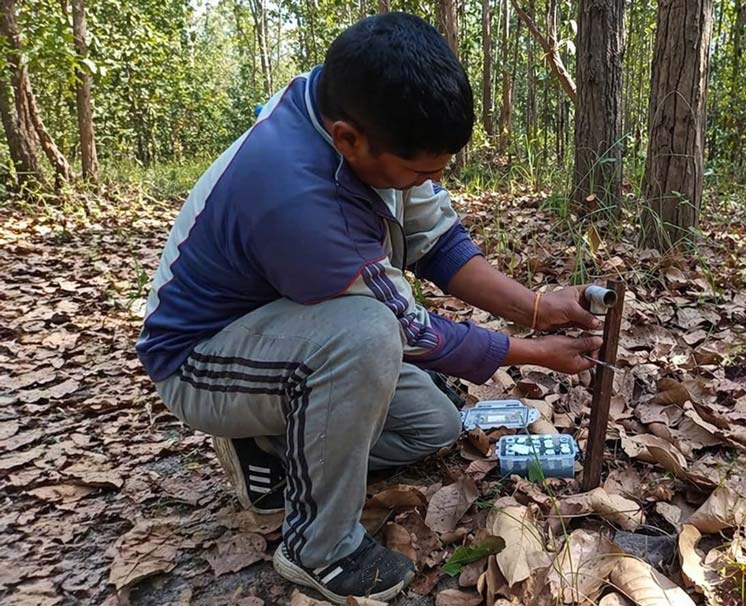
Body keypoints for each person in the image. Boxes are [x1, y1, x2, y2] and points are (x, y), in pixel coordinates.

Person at [137, 12, 601, 604]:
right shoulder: (296, 197)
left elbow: (436, 238)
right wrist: (533, 352)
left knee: (433, 424)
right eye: (420, 172)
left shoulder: (358, 107)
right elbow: (406, 330)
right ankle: (317, 548)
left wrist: (537, 306)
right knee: (367, 334)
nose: (429, 182)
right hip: (201, 359)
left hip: (289, 328)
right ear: (348, 138)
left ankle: (270, 445)